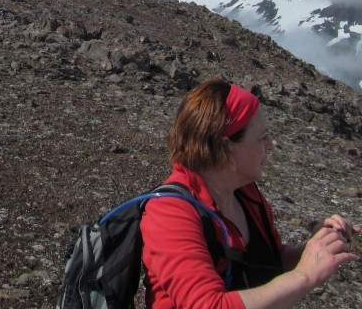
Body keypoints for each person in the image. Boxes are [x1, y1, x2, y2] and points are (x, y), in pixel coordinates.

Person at [140, 79, 358, 308]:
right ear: (225, 147)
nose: (270, 145)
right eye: (261, 137)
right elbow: (208, 305)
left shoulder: (244, 192)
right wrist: (305, 276)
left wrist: (314, 249)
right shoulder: (170, 213)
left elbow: (271, 262)